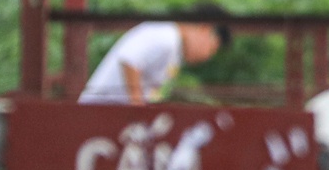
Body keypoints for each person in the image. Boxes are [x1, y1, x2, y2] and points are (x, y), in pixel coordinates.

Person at [78, 6, 231, 104]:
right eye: (212, 48)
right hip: (99, 113)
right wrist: (137, 110)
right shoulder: (167, 35)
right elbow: (129, 59)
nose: (207, 56)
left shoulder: (175, 47)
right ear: (205, 29)